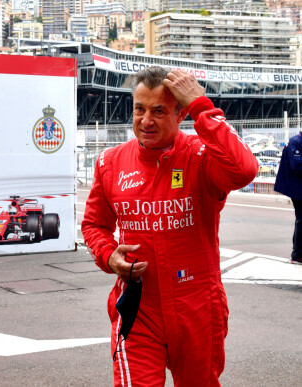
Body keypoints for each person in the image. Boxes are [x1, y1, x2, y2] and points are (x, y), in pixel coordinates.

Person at [82, 66, 258, 387]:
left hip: (198, 308)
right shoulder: (110, 163)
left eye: (159, 111)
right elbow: (95, 224)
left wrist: (201, 105)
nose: (146, 120)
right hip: (138, 307)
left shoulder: (202, 157)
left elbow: (245, 169)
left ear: (180, 115)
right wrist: (108, 256)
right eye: (140, 109)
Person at [274, 132, 302, 264]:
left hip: (298, 186)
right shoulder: (296, 142)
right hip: (297, 188)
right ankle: (297, 254)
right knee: (301, 220)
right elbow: (297, 166)